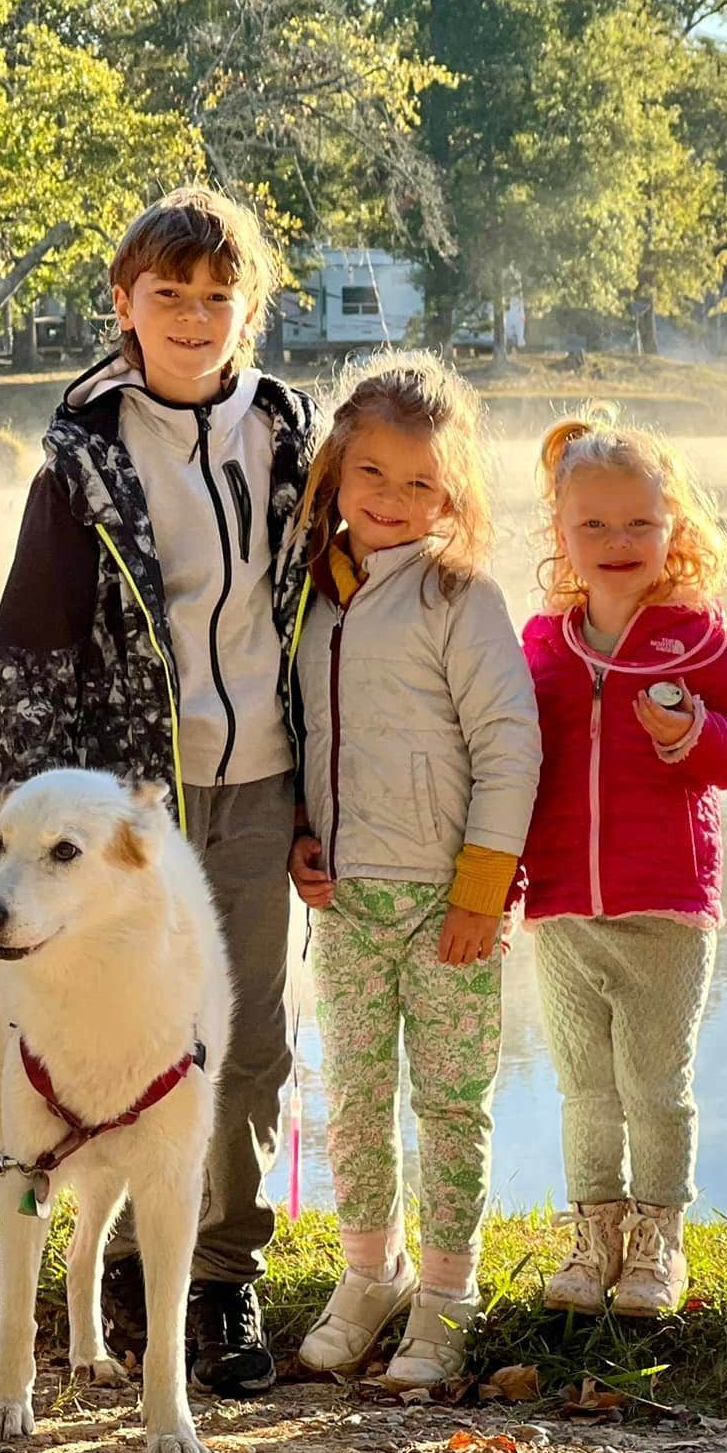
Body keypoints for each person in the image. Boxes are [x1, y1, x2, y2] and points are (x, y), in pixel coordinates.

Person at [0, 186, 318, 1397]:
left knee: (243, 1046)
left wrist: (326, 801)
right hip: (130, 815)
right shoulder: (77, 464)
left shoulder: (291, 436)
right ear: (122, 304)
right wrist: (24, 830)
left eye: (216, 297)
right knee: (113, 1030)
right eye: (165, 294)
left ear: (248, 312)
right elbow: (28, 651)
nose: (191, 316)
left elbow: (326, 619)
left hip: (265, 782)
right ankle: (115, 1253)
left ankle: (219, 1279)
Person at [284, 352, 540, 1386]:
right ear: (334, 477)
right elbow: (305, 728)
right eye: (370, 476)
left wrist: (483, 887)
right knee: (348, 1093)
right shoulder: (311, 594)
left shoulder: (456, 595)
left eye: (418, 482)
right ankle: (366, 1274)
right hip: (344, 898)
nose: (391, 501)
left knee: (447, 1101)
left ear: (453, 492)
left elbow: (507, 743)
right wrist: (301, 831)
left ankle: (444, 1293)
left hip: (446, 898)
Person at [520, 413, 727, 1317]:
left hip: (668, 906)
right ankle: (593, 1239)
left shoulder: (701, 641)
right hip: (560, 906)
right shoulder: (541, 647)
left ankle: (658, 1243)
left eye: (639, 522)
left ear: (675, 527)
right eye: (593, 524)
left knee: (655, 1086)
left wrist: (695, 736)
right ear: (560, 534)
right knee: (584, 1087)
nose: (617, 542)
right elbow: (506, 760)